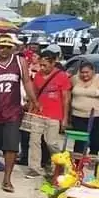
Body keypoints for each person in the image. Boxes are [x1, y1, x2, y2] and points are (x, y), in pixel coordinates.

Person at [0, 33, 37, 193]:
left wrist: (34, 100)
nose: (4, 50)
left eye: (8, 47)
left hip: (12, 111)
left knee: (11, 146)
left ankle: (7, 179)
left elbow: (27, 81)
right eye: (1, 47)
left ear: (13, 48)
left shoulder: (19, 61)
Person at [25, 45, 72, 178]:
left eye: (45, 65)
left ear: (53, 63)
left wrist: (65, 118)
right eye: (41, 65)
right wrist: (30, 110)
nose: (42, 68)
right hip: (37, 114)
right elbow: (33, 94)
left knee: (51, 142)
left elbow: (65, 99)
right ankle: (34, 168)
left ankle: (57, 165)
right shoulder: (38, 75)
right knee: (34, 141)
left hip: (54, 115)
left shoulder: (62, 76)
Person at [67, 62, 99, 155]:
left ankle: (92, 156)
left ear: (93, 71)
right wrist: (68, 113)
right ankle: (78, 161)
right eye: (82, 72)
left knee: (95, 139)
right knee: (80, 141)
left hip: (97, 115)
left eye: (87, 72)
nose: (84, 75)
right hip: (78, 115)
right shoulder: (74, 79)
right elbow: (68, 94)